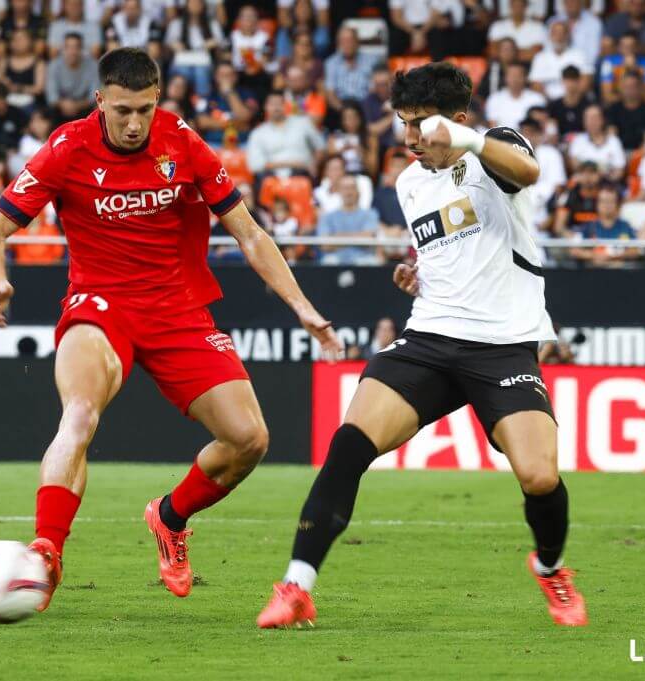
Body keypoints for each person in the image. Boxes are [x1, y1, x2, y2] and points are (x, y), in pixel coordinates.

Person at [0, 48, 342, 613]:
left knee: (250, 439)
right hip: (100, 305)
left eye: (145, 109)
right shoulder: (67, 147)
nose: (134, 123)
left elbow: (249, 234)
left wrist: (302, 306)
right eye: (122, 110)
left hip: (178, 309)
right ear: (100, 101)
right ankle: (46, 549)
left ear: (159, 99)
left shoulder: (184, 142)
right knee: (79, 414)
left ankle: (170, 516)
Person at [258, 62, 587, 629]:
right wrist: (418, 271)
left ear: (458, 121)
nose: (409, 139)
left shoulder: (494, 149)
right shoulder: (409, 182)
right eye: (402, 124)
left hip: (502, 345)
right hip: (429, 337)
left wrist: (461, 139)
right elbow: (450, 247)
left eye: (421, 126)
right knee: (350, 445)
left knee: (539, 477)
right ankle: (296, 585)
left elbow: (527, 172)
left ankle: (552, 567)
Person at [246, 91, 325, 179]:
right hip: (272, 178)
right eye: (272, 104)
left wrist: (314, 164)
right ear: (265, 107)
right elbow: (255, 166)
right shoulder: (258, 133)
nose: (276, 108)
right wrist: (294, 164)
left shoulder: (303, 123)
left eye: (279, 104)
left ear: (286, 105)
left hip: (302, 174)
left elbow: (321, 147)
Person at [315, 175, 381, 266]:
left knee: (371, 262)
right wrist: (358, 237)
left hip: (363, 260)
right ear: (339, 191)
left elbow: (367, 239)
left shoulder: (370, 214)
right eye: (345, 188)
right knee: (328, 261)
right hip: (335, 261)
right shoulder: (327, 217)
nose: (349, 192)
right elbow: (325, 245)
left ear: (358, 191)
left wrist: (337, 237)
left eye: (352, 188)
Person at [569, 184, 640, 265]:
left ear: (617, 204)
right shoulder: (587, 227)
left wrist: (613, 257)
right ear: (597, 204)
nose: (606, 205)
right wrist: (593, 255)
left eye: (610, 201)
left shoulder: (625, 226)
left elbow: (635, 251)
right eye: (603, 201)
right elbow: (574, 250)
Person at [528, 20, 593, 101]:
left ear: (568, 36)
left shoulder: (579, 55)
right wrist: (551, 102)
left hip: (573, 101)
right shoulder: (540, 57)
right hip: (547, 101)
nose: (559, 37)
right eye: (556, 33)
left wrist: (570, 100)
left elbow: (586, 81)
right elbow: (535, 84)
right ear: (550, 36)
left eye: (562, 33)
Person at [46, 33, 100, 124]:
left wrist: (76, 105)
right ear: (63, 49)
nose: (72, 51)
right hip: (60, 107)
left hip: (84, 106)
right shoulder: (54, 65)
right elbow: (52, 96)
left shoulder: (93, 65)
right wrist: (63, 104)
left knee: (98, 111)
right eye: (68, 47)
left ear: (81, 49)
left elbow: (94, 96)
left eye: (76, 47)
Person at [567, 105, 626, 182]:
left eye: (595, 118)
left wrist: (603, 177)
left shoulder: (614, 141)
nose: (592, 122)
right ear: (584, 121)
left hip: (606, 183)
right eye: (588, 118)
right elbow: (574, 165)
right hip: (583, 182)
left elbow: (620, 170)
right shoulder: (578, 140)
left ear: (602, 120)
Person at [604, 69, 645, 151]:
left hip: (642, 153)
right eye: (626, 86)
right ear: (621, 87)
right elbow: (611, 135)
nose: (629, 90)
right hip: (619, 152)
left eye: (633, 86)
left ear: (640, 88)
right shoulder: (613, 109)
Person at [485, 61, 546, 130]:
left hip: (529, 138)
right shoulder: (494, 99)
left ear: (525, 78)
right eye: (512, 75)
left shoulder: (537, 98)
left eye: (518, 75)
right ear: (505, 78)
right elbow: (493, 127)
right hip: (502, 139)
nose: (515, 79)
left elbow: (541, 125)